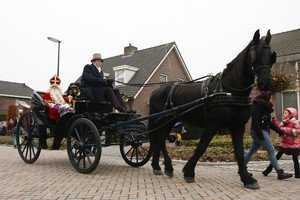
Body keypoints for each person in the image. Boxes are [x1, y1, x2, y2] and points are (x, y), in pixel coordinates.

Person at [244, 91, 293, 180]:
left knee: (252, 151)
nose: (271, 100)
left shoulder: (264, 107)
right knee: (271, 150)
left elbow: (268, 122)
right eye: (270, 98)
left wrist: (279, 131)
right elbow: (255, 121)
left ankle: (242, 168)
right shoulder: (257, 106)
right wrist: (260, 135)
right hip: (259, 132)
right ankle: (279, 173)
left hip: (260, 132)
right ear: (266, 98)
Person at [262, 107, 300, 178]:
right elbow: (279, 129)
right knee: (276, 157)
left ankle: (297, 173)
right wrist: (275, 122)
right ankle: (267, 170)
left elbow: (297, 131)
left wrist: (284, 129)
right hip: (284, 143)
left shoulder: (295, 122)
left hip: (293, 144)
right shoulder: (284, 122)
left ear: (291, 114)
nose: (284, 114)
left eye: (286, 113)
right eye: (284, 113)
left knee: (295, 159)